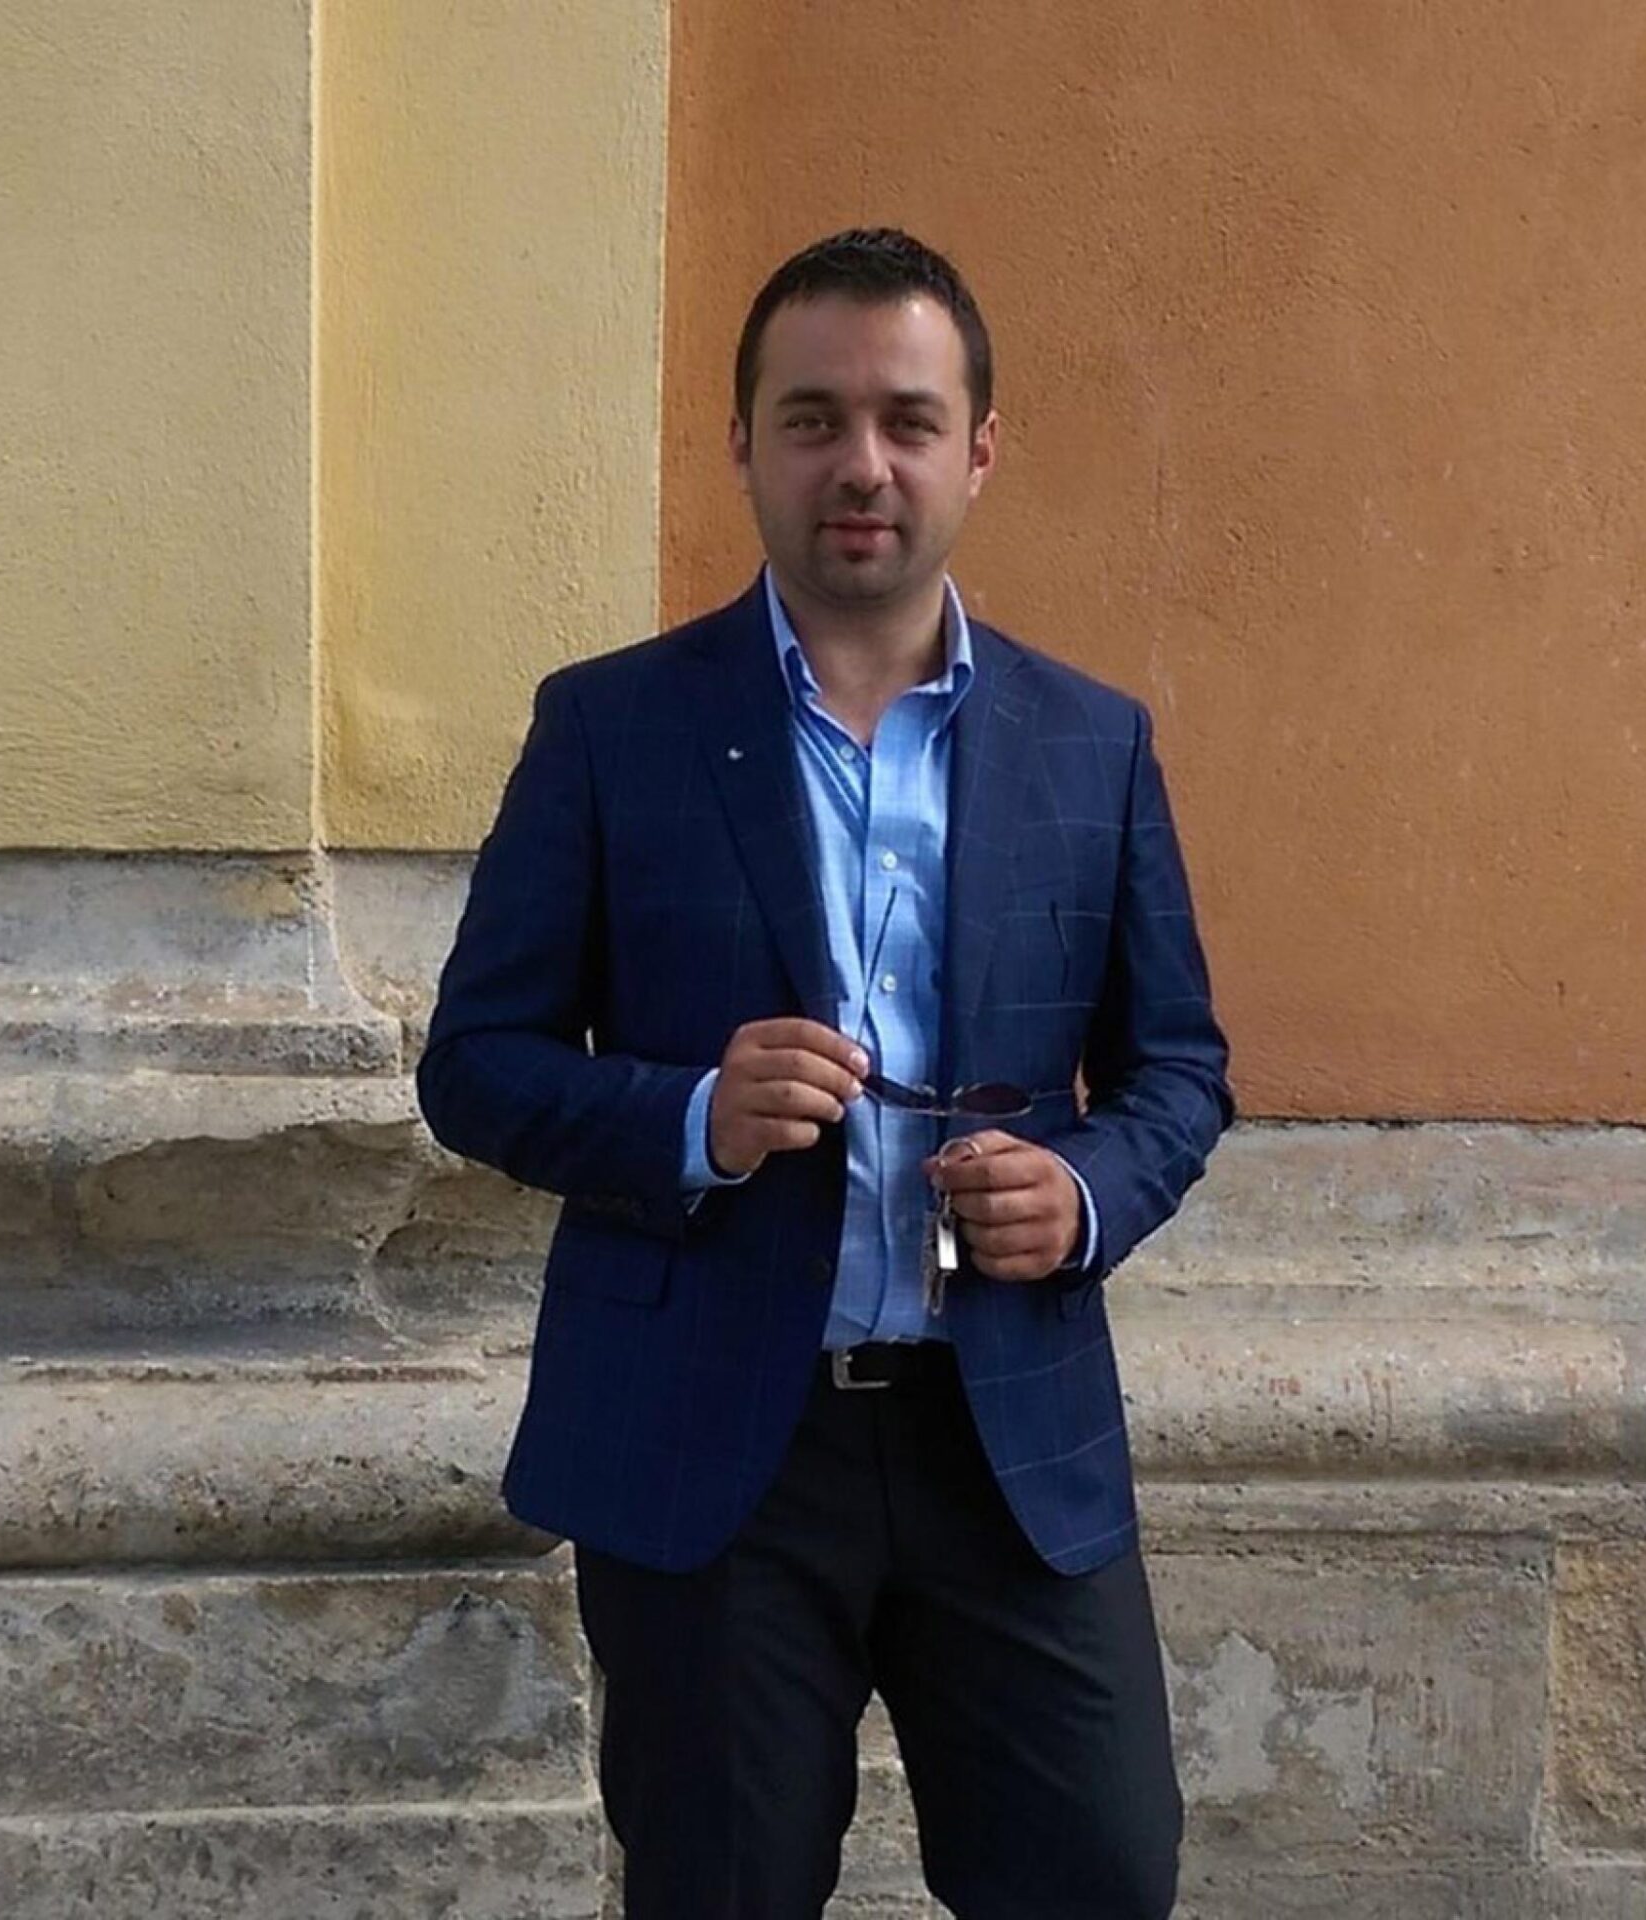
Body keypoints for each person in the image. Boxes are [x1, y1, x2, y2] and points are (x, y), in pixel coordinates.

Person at [418, 227, 1232, 1920]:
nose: (862, 463)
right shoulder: (610, 729)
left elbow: (1178, 1069)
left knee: (1100, 1873)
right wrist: (690, 1118)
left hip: (1004, 1439)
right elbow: (476, 1066)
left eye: (907, 421)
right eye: (813, 420)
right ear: (744, 446)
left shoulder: (1093, 744)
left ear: (978, 452)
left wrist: (1085, 1195)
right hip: (714, 1443)